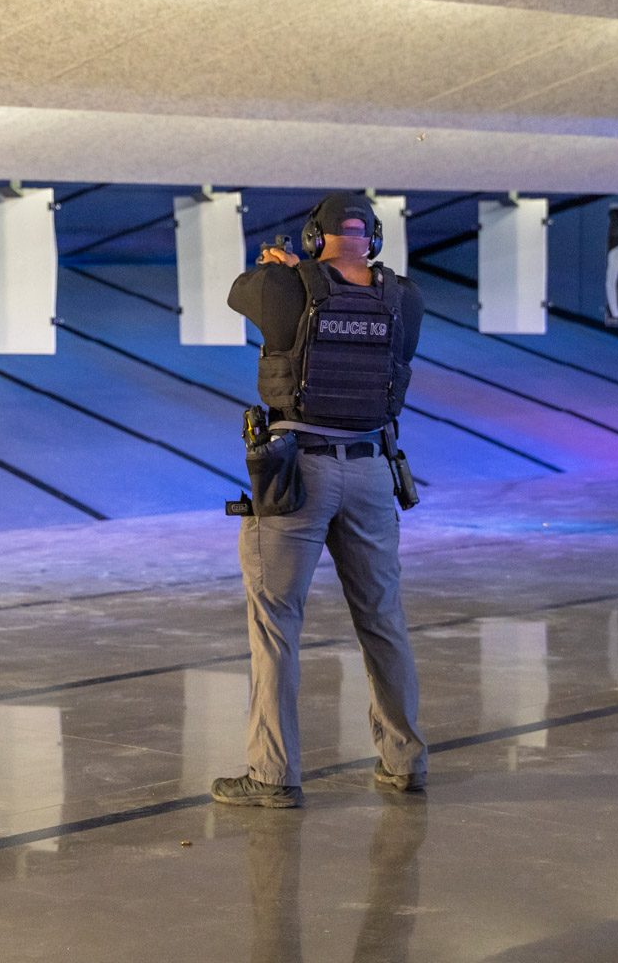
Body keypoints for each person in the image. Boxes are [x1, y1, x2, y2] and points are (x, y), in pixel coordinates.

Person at [211, 192, 427, 807]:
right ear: (374, 238)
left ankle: (272, 777)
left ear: (314, 238)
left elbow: (238, 292)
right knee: (383, 621)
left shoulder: (283, 288)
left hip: (296, 474)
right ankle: (404, 761)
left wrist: (278, 271)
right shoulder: (405, 298)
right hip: (371, 470)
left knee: (276, 625)